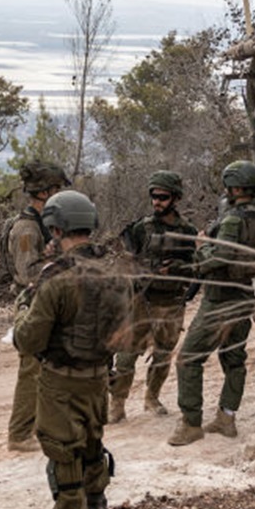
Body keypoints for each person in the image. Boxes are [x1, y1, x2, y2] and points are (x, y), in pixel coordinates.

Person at [12, 190, 131, 509]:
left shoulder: (56, 280)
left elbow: (29, 340)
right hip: (97, 377)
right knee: (93, 445)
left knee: (63, 454)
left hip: (61, 381)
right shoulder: (117, 275)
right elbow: (126, 335)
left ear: (56, 228)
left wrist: (19, 315)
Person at [168, 160, 255, 446]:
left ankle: (190, 424)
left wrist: (202, 245)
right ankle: (226, 418)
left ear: (235, 186)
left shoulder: (232, 220)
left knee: (188, 359)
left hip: (219, 301)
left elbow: (218, 260)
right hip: (244, 297)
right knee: (233, 359)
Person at [108, 170, 198, 423]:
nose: (157, 201)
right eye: (153, 196)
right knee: (126, 357)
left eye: (163, 197)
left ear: (175, 198)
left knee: (163, 355)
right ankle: (117, 404)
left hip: (171, 303)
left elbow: (196, 266)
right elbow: (124, 262)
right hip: (142, 301)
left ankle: (152, 397)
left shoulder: (187, 231)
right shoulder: (141, 229)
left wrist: (176, 271)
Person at [3, 161, 71, 452]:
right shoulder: (27, 229)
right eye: (56, 189)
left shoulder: (43, 224)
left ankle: (39, 427)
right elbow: (27, 274)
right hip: (32, 305)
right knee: (31, 371)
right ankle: (19, 435)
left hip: (48, 302)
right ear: (43, 192)